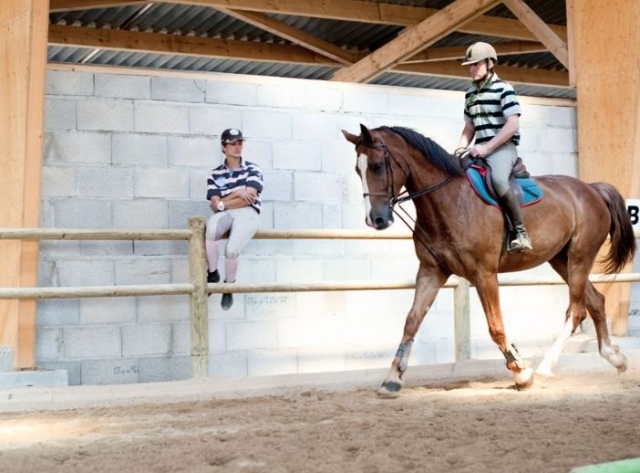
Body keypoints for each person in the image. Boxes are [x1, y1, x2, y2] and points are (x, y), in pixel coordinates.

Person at [456, 42, 532, 253]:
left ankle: (520, 232)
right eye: (469, 66)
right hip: (479, 148)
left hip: (502, 148)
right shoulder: (470, 93)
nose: (472, 69)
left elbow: (513, 124)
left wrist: (487, 148)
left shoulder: (504, 89)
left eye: (476, 64)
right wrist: (459, 149)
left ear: (490, 63)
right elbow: (469, 127)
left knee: (498, 180)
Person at [205, 128, 263, 310]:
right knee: (212, 228)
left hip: (248, 212)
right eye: (232, 143)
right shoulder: (215, 174)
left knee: (231, 249)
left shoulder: (252, 169)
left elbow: (250, 197)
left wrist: (223, 201)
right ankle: (212, 273)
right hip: (226, 212)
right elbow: (214, 205)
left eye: (240, 143)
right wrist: (237, 193)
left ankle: (229, 287)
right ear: (224, 147)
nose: (237, 147)